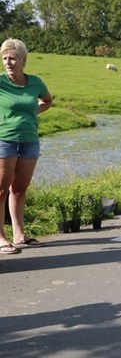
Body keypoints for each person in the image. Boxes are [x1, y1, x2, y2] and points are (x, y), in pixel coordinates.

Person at [0, 39, 53, 254]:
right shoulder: (1, 82)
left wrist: (33, 113)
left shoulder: (35, 83)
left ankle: (19, 235)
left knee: (19, 190)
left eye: (12, 58)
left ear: (23, 60)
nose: (8, 62)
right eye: (4, 58)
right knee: (1, 190)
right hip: (4, 140)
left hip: (30, 141)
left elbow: (47, 100)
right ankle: (1, 238)